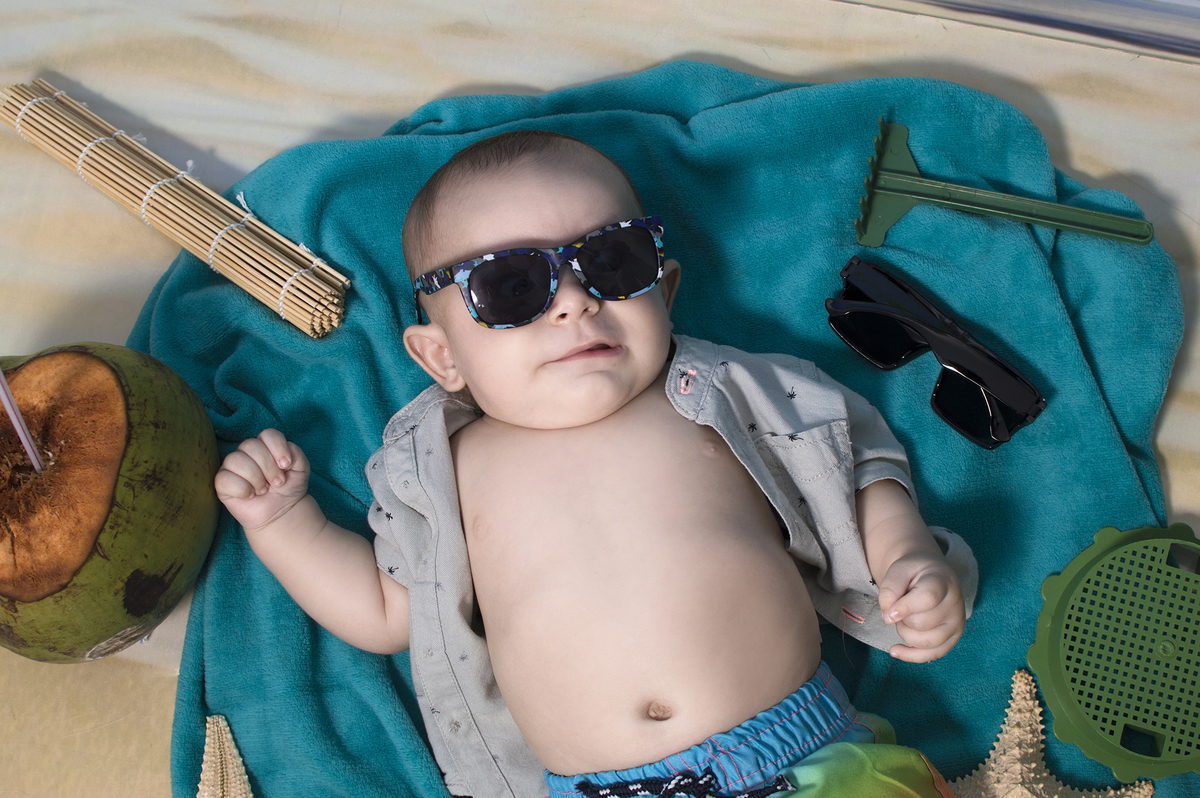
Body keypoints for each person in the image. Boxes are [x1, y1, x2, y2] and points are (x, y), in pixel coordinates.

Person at [215, 130, 976, 798]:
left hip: (804, 758)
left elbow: (850, 461)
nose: (574, 301)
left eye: (613, 261)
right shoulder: (447, 473)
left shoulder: (718, 398)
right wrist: (286, 524)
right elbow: (388, 613)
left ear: (665, 290)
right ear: (441, 355)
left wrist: (904, 550)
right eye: (511, 287)